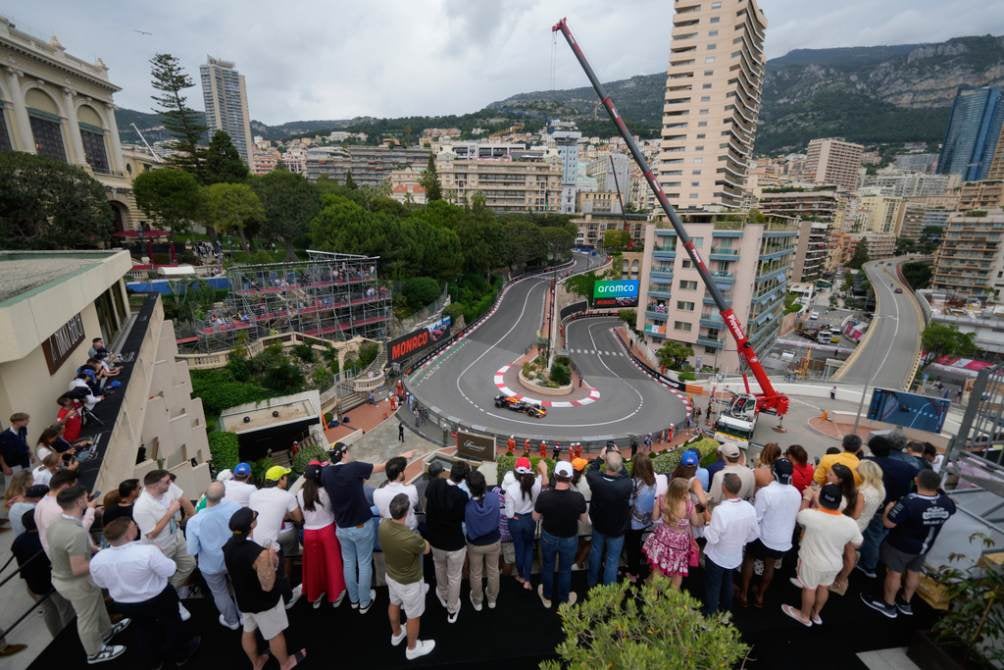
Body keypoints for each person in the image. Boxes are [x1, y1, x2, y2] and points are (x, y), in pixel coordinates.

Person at [90, 518, 200, 667]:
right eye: (133, 526)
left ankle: (154, 662)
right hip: (158, 597)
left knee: (143, 629)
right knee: (172, 623)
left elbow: (100, 583)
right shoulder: (147, 552)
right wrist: (160, 554)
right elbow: (170, 570)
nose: (136, 525)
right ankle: (180, 655)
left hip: (125, 603)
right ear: (128, 535)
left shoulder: (98, 560)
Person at [47, 485, 130, 664]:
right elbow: (78, 567)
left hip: (67, 578)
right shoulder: (74, 531)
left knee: (97, 604)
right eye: (86, 497)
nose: (89, 499)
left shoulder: (59, 523)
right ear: (79, 502)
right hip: (76, 582)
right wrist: (106, 557)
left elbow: (76, 544)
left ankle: (107, 632)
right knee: (87, 618)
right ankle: (94, 652)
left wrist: (95, 549)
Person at [861, 469, 957, 619]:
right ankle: (906, 602)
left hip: (901, 545)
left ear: (917, 481)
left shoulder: (909, 502)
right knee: (914, 572)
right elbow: (951, 509)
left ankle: (888, 604)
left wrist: (887, 510)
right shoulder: (947, 502)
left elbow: (888, 523)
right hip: (925, 546)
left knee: (894, 573)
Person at [223, 508, 307, 670]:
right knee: (275, 634)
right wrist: (271, 558)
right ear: (252, 524)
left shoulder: (228, 545)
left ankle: (257, 662)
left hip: (243, 598)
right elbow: (267, 585)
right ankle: (286, 663)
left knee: (248, 631)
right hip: (263, 602)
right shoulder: (258, 553)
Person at [322, 443, 391, 613]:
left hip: (342, 527)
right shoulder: (354, 468)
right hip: (361, 524)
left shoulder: (325, 473)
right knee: (364, 563)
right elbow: (383, 467)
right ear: (344, 453)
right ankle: (364, 601)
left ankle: (354, 600)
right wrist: (403, 456)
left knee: (348, 562)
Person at [783, 484, 863, 627]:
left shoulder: (811, 515)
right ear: (839, 502)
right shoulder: (850, 523)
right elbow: (857, 543)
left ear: (820, 498)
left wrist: (808, 498)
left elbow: (800, 516)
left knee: (809, 588)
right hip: (834, 563)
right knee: (824, 588)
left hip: (812, 562)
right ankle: (816, 614)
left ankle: (804, 616)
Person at [379, 493, 435, 660]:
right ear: (406, 514)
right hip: (410, 583)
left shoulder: (383, 525)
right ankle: (412, 648)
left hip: (392, 576)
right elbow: (426, 549)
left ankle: (396, 634)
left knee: (394, 603)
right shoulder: (411, 538)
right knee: (413, 616)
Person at [739, 459, 801, 608]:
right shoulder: (796, 493)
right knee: (770, 565)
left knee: (749, 558)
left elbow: (756, 518)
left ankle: (744, 594)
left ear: (773, 473)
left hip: (764, 539)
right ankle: (760, 596)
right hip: (783, 543)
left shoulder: (766, 492)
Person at [857, 435, 919, 579]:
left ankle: (870, 567)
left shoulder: (870, 463)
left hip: (877, 507)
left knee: (872, 538)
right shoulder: (909, 466)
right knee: (881, 535)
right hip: (897, 507)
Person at [132, 469, 197, 598]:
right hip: (160, 546)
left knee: (190, 564)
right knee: (162, 574)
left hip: (176, 536)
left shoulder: (168, 487)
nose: (171, 483)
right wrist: (171, 512)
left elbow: (183, 499)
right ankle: (164, 595)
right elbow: (151, 534)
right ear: (155, 486)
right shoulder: (141, 507)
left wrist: (195, 518)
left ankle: (170, 591)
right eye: (167, 482)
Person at [186, 482, 242, 629]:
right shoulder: (235, 507)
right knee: (239, 588)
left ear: (205, 496)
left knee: (220, 593)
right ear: (223, 495)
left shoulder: (194, 521)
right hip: (234, 559)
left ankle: (232, 622)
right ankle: (244, 618)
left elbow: (192, 551)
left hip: (211, 565)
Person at [12, 510, 75, 638]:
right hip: (52, 583)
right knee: (66, 611)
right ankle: (72, 637)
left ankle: (56, 637)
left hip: (35, 584)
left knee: (49, 612)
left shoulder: (19, 541)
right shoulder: (44, 540)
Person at [703, 473, 759, 616]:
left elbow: (712, 538)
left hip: (717, 556)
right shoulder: (749, 508)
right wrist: (741, 540)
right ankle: (725, 612)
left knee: (713, 586)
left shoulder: (720, 511)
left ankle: (710, 614)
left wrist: (707, 522)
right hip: (735, 556)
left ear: (723, 488)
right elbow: (755, 533)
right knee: (728, 582)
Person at [533, 461, 588, 608]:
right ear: (570, 478)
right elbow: (584, 520)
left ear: (555, 476)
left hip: (549, 536)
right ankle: (564, 599)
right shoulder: (578, 498)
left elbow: (535, 517)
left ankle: (547, 596)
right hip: (569, 538)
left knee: (548, 566)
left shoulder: (545, 497)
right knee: (565, 569)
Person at [296, 464, 346, 609]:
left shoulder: (300, 493)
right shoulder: (325, 491)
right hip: (327, 530)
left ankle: (316, 596)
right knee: (333, 564)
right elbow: (332, 510)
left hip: (309, 533)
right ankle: (335, 595)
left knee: (314, 567)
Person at [832, 460, 885, 595]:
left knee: (849, 555)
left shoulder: (863, 492)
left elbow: (855, 515)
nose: (858, 473)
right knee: (850, 552)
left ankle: (841, 580)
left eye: (859, 471)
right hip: (864, 524)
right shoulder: (880, 489)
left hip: (853, 526)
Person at [425, 460, 470, 623]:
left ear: (450, 472)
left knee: (439, 567)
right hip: (455, 543)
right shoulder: (462, 496)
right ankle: (452, 608)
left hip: (436, 540)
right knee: (455, 576)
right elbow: (464, 518)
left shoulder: (435, 484)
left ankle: (443, 594)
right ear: (463, 478)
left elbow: (428, 498)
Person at [644, 477, 706, 589]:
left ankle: (652, 598)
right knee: (677, 573)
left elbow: (654, 517)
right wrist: (705, 517)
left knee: (658, 569)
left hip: (662, 537)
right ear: (683, 492)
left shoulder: (662, 499)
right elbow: (696, 523)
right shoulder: (689, 505)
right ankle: (672, 600)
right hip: (679, 543)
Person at [585, 446, 632, 587]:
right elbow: (625, 474)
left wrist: (600, 457)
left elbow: (591, 470)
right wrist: (617, 456)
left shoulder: (596, 480)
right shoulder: (626, 484)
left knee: (596, 553)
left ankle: (591, 583)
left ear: (606, 463)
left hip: (599, 525)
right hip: (617, 528)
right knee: (612, 560)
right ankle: (608, 592)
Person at [249, 466, 303, 583]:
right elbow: (298, 518)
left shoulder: (254, 494)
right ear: (280, 480)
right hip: (275, 542)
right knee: (287, 553)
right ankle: (287, 585)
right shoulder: (287, 496)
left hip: (256, 543)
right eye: (285, 477)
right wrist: (287, 516)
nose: (287, 480)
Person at [502, 457, 548, 590]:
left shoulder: (510, 489)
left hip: (516, 521)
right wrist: (541, 470)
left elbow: (509, 514)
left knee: (519, 548)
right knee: (528, 548)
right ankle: (527, 579)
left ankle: (522, 576)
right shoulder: (536, 484)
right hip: (530, 519)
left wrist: (515, 516)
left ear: (515, 472)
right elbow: (543, 478)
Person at [36, 469, 95, 557]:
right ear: (66, 486)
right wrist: (90, 510)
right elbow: (79, 532)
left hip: (59, 554)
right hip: (73, 557)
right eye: (74, 486)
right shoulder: (60, 508)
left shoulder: (41, 503)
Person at [465, 470, 501, 611]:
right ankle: (492, 599)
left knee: (476, 573)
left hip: (475, 545)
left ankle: (478, 601)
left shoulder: (467, 506)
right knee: (493, 571)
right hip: (494, 541)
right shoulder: (494, 498)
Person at [626, 452, 657, 582]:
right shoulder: (653, 481)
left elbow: (629, 502)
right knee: (636, 544)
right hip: (646, 520)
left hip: (634, 521)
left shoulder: (634, 483)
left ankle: (633, 574)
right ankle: (637, 568)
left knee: (631, 547)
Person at [373, 457, 419, 530]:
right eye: (404, 470)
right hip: (408, 527)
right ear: (400, 474)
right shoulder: (411, 489)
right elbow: (415, 503)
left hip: (388, 529)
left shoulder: (376, 493)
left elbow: (381, 512)